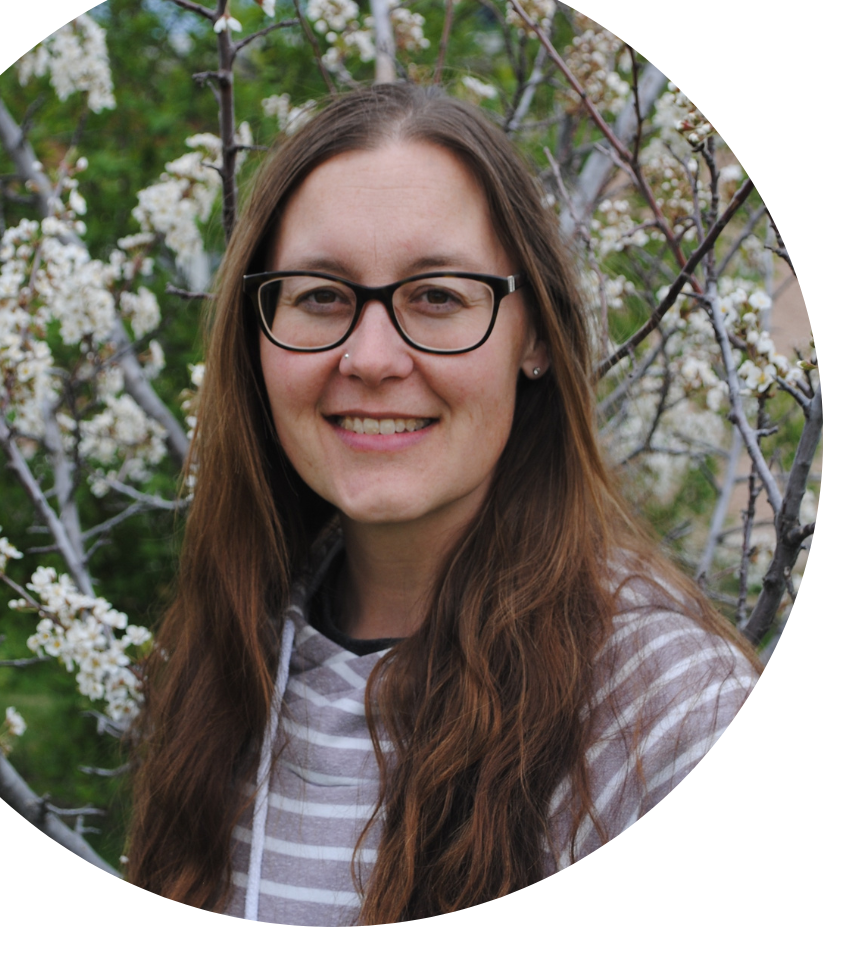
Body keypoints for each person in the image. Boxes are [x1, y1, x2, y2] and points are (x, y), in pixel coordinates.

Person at [125, 83, 758, 925]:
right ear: (257, 332)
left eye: (438, 297)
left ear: (533, 335)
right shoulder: (225, 658)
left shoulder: (674, 719)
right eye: (320, 296)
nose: (372, 357)